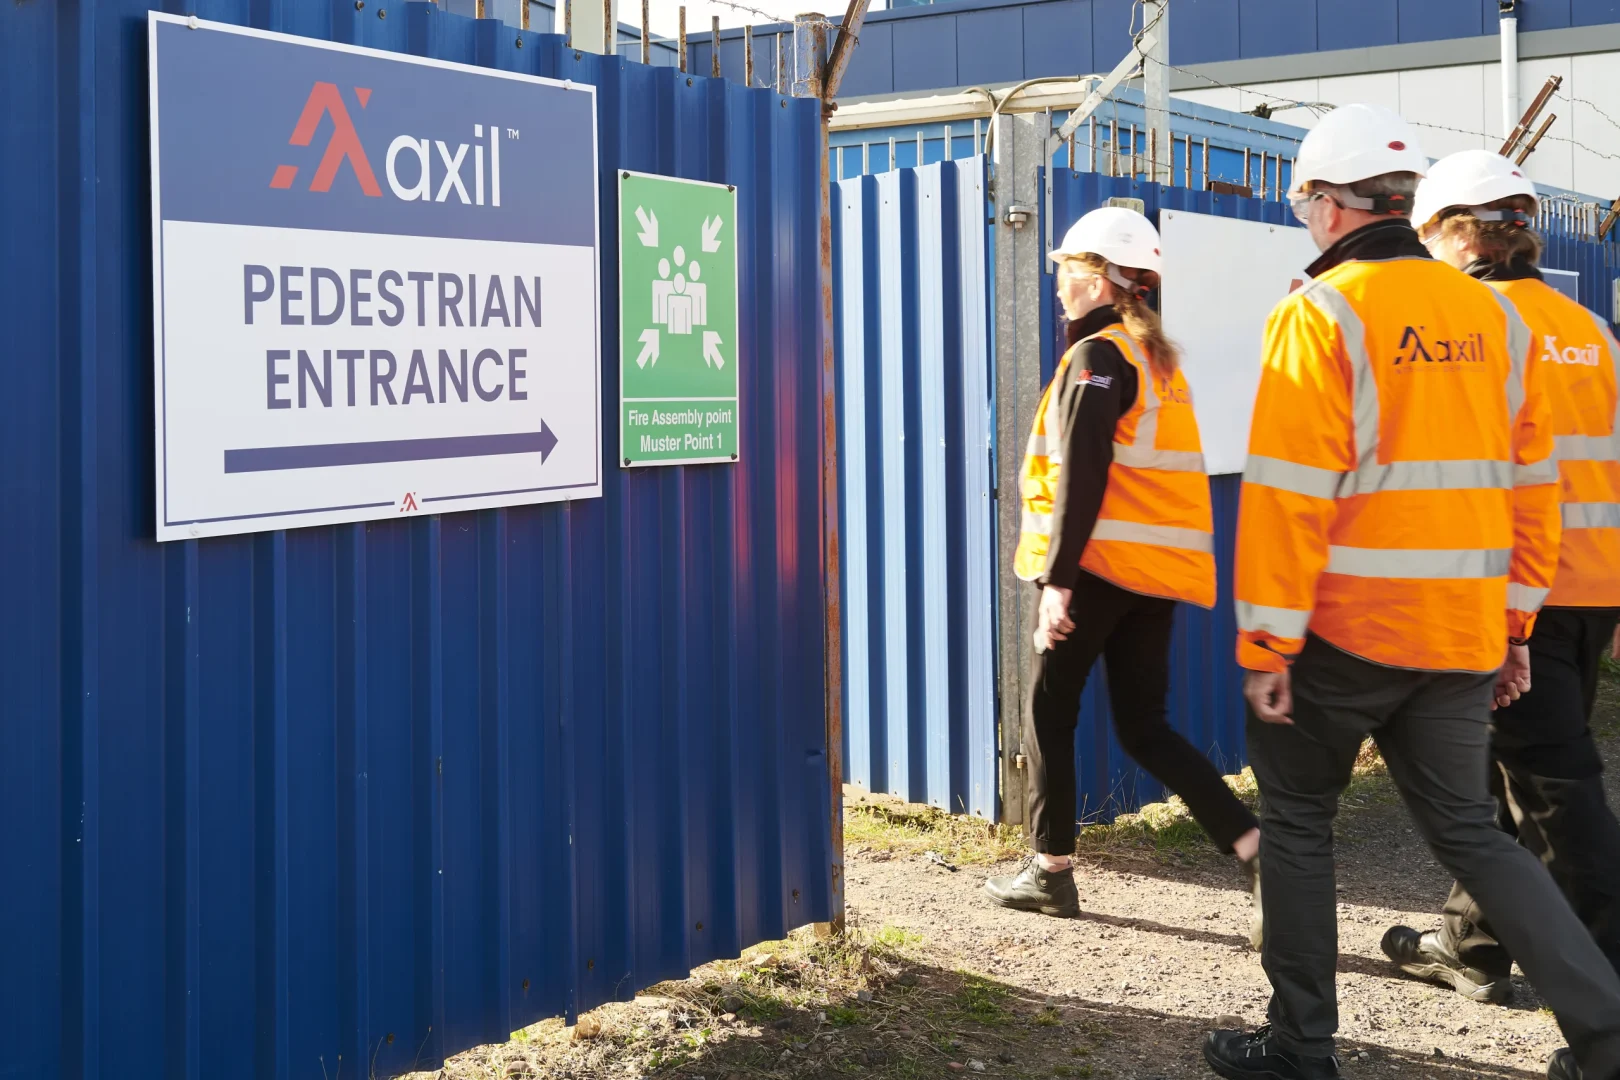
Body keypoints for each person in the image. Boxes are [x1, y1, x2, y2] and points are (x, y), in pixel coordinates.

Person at [1201, 103, 1620, 1080]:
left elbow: (1289, 499)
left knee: (1299, 825)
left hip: (1345, 634)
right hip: (1466, 632)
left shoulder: (1321, 311)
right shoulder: (1493, 315)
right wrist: (1515, 626)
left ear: (1333, 207)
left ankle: (1301, 1047)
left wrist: (1266, 642)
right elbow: (1534, 487)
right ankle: (1606, 1035)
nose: (1305, 214)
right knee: (1478, 836)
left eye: (1305, 198)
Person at [1377, 149, 1620, 1013]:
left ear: (1448, 233)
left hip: (1516, 592)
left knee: (1559, 800)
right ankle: (1472, 945)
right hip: (1594, 591)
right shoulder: (1589, 328)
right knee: (1507, 773)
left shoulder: (1469, 326)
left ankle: (1606, 1008)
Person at [984, 207, 1263, 936]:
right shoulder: (1157, 362)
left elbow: (1083, 472)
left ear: (1102, 279)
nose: (1060, 289)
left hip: (1100, 571)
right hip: (1152, 578)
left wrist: (1057, 583)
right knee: (1145, 728)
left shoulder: (1097, 358)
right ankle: (1257, 849)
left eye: (1068, 274)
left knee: (1051, 709)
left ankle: (1050, 871)